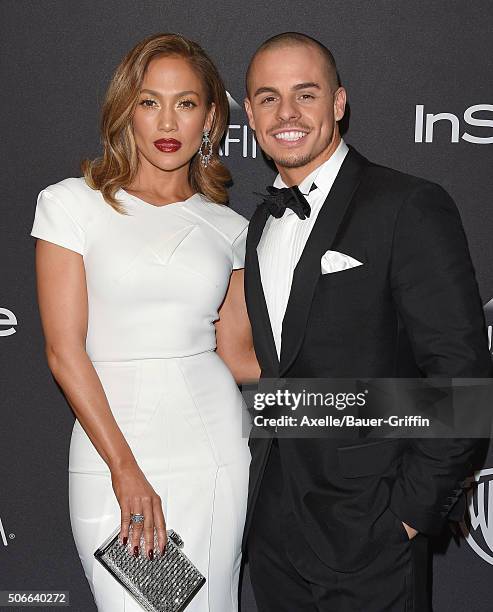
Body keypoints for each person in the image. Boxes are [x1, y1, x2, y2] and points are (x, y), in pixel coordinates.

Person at [242, 32, 492, 611]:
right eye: (269, 97)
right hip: (273, 534)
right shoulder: (258, 224)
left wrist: (406, 515)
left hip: (370, 528)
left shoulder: (406, 206)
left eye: (306, 94)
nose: (287, 114)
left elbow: (462, 381)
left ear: (338, 103)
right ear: (250, 114)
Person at [30, 33, 259, 612]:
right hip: (114, 450)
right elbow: (64, 350)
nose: (167, 120)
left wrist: (374, 386)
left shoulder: (228, 227)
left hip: (213, 448)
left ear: (210, 118)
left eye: (185, 103)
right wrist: (125, 469)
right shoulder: (71, 205)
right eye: (149, 100)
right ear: (125, 109)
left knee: (212, 604)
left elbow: (237, 358)